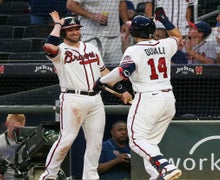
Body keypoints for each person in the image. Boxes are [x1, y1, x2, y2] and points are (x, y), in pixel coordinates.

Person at [39, 11, 132, 180]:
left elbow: (104, 72)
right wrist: (58, 24)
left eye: (77, 29)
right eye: (71, 29)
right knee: (66, 140)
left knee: (95, 143)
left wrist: (122, 90)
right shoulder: (60, 51)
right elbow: (49, 46)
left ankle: (90, 177)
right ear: (64, 32)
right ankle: (48, 176)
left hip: (95, 99)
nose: (75, 32)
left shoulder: (91, 48)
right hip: (73, 99)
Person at [93, 7, 182, 180]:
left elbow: (123, 72)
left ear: (134, 31)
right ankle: (157, 175)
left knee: (135, 141)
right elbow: (178, 37)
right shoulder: (165, 44)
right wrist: (164, 19)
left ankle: (165, 166)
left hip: (148, 99)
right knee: (149, 143)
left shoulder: (134, 50)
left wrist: (101, 81)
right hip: (168, 100)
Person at [66, 0, 130, 65]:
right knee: (92, 70)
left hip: (113, 38)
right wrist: (92, 16)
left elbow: (121, 3)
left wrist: (126, 22)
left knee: (115, 70)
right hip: (91, 37)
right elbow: (70, 4)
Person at [0, 114, 26, 180]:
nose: (17, 131)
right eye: (15, 128)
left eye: (20, 128)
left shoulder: (30, 141)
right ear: (7, 124)